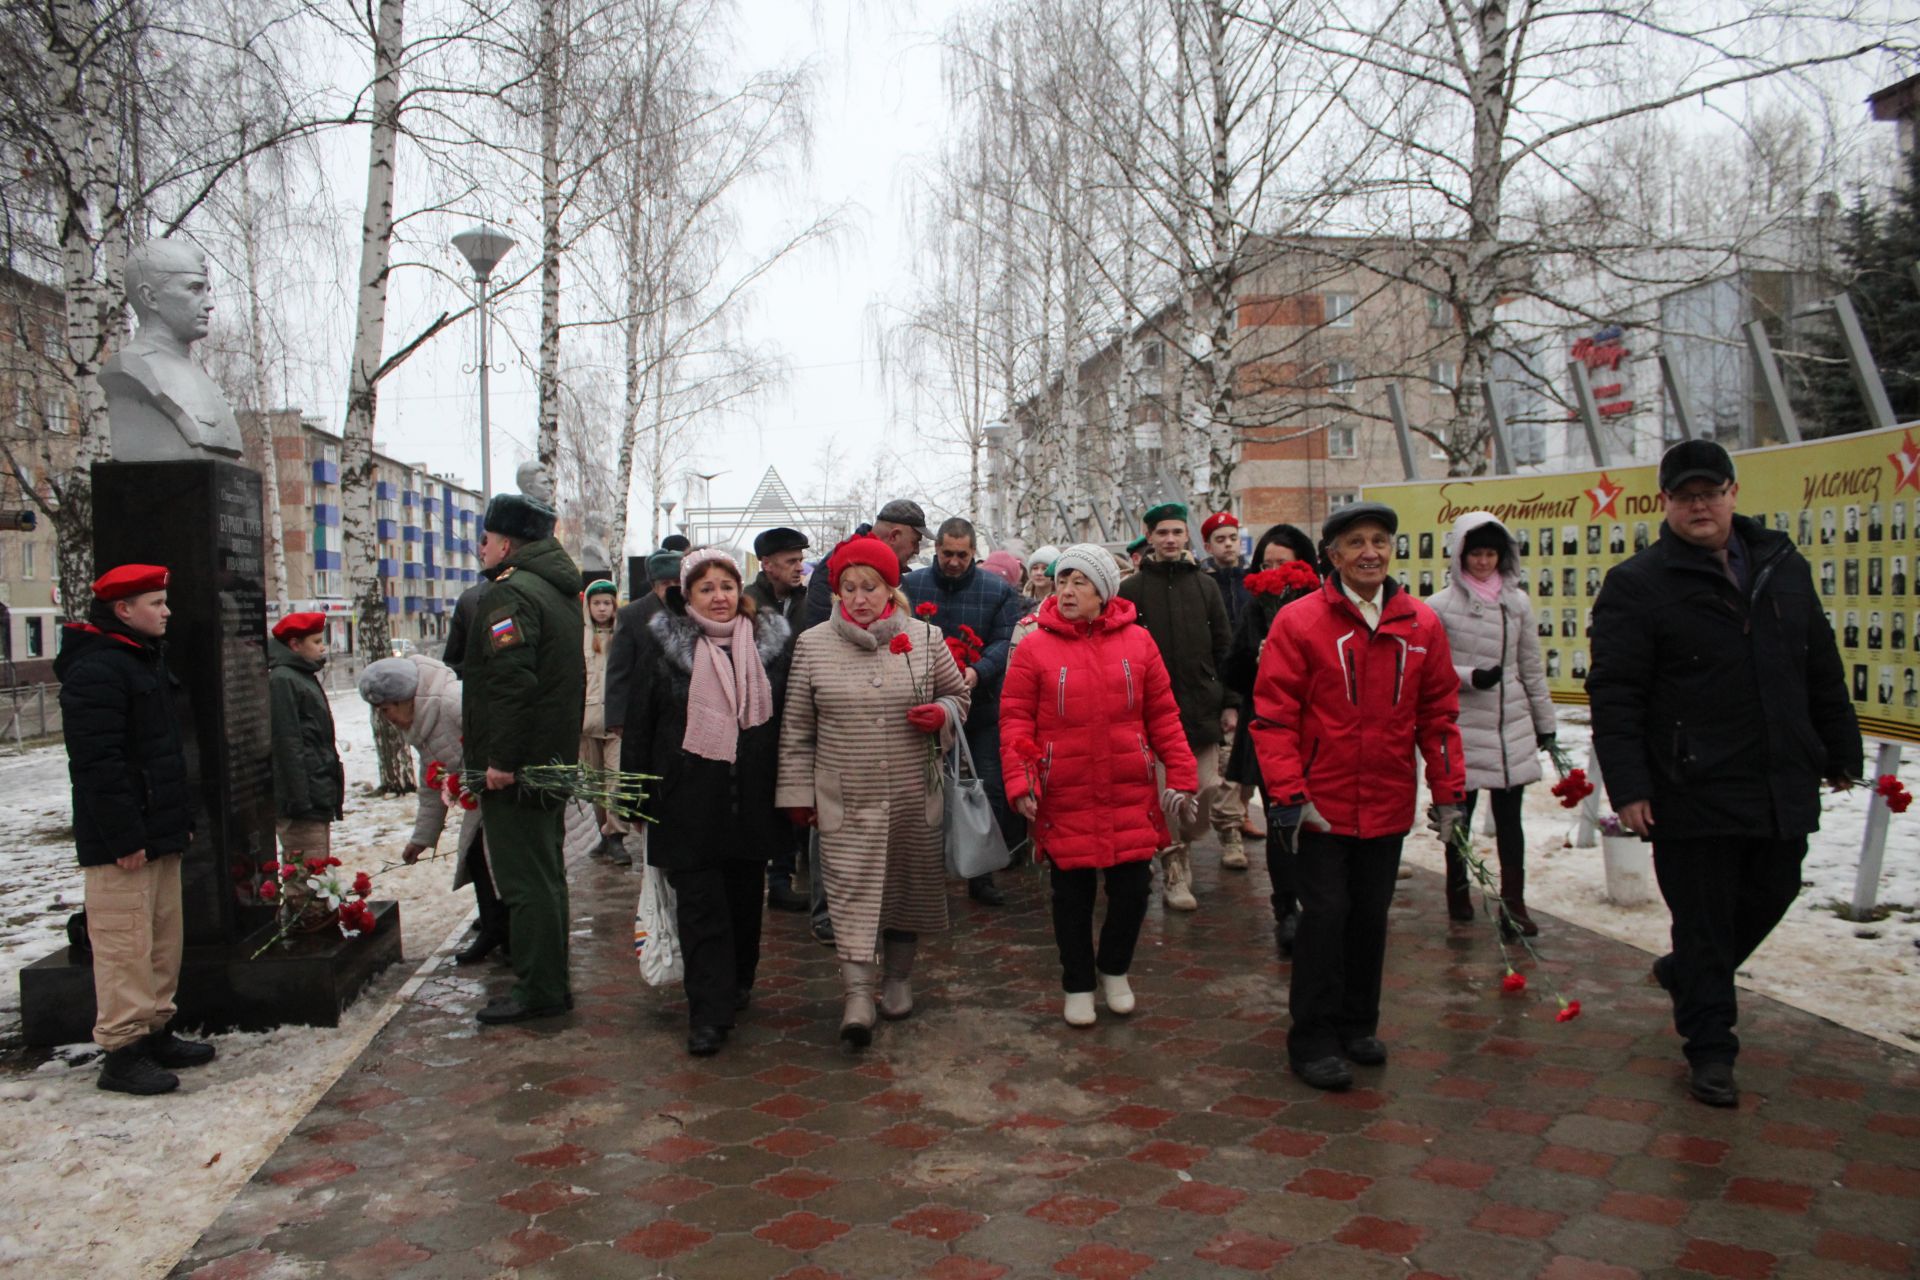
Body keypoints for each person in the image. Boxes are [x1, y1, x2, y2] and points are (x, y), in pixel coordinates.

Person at [1588, 440, 1859, 1108]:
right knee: (1704, 922)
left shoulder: (1782, 565)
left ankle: (1688, 977)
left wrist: (1839, 746)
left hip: (1777, 774)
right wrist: (1630, 788)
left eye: (1711, 493)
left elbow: (1818, 663)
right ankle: (1711, 1050)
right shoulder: (1638, 584)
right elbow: (1616, 693)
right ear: (1666, 504)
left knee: (1777, 887)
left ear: (1734, 493)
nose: (1700, 506)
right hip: (1691, 785)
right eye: (1686, 496)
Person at [1251, 502, 1465, 1091]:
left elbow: (1440, 717)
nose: (1370, 552)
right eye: (1355, 543)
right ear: (1333, 555)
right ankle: (1312, 1037)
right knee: (1325, 916)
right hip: (1320, 803)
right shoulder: (1299, 622)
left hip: (1387, 799)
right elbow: (1273, 717)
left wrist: (1449, 794)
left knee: (1370, 915)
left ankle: (1357, 1022)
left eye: (1380, 541)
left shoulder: (1420, 624)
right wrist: (1288, 795)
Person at [776, 534, 970, 1049]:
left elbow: (959, 695)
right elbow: (797, 728)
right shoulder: (813, 644)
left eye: (870, 587)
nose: (859, 598)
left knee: (908, 889)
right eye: (848, 588)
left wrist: (943, 715)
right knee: (850, 894)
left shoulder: (926, 639)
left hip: (912, 794)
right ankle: (857, 995)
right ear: (836, 592)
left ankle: (898, 980)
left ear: (891, 589)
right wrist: (798, 794)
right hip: (845, 797)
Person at [1001, 546, 1197, 1025]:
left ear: (1103, 592)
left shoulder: (1140, 644)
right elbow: (1015, 721)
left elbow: (1164, 716)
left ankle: (1114, 970)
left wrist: (1184, 774)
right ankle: (1077, 983)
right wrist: (1021, 779)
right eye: (1062, 579)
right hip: (1064, 790)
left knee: (1133, 890)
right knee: (1072, 895)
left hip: (1128, 787)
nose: (1066, 590)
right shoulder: (1033, 647)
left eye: (1079, 582)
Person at [623, 550, 792, 1056]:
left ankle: (738, 982)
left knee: (743, 903)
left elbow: (789, 724)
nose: (718, 597)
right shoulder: (662, 648)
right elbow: (639, 725)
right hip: (685, 802)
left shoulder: (771, 646)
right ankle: (707, 1014)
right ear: (686, 595)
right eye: (705, 588)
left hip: (750, 801)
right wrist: (635, 797)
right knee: (700, 909)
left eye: (726, 586)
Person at [56, 563, 212, 1095]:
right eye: (155, 603)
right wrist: (124, 837)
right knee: (124, 943)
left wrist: (176, 823)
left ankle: (155, 1028)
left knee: (162, 939)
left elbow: (164, 755)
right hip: (123, 840)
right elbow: (98, 764)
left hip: (158, 829)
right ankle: (123, 1050)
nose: (167, 611)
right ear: (123, 610)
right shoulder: (99, 669)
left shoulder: (141, 660)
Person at [463, 491, 586, 1025]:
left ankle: (540, 992)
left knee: (525, 883)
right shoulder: (557, 591)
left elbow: (512, 683)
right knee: (546, 876)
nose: (480, 550)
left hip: (521, 768)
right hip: (551, 759)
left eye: (485, 540)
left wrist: (501, 760)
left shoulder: (508, 594)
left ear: (506, 542)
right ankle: (549, 983)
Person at [1429, 514, 1557, 935]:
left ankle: (1514, 905)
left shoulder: (1516, 602)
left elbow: (1531, 665)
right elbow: (1432, 668)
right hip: (1463, 725)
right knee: (1458, 818)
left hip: (1510, 726)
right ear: (1460, 555)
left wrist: (1545, 723)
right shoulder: (1440, 606)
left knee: (1510, 822)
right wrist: (1468, 676)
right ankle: (1458, 890)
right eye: (1475, 554)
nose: (1483, 562)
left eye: (1490, 554)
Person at [903, 516, 1029, 906]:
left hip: (982, 706)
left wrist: (977, 671)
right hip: (924, 706)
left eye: (962, 555)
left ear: (974, 553)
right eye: (947, 554)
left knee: (986, 789)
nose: (954, 562)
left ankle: (981, 874)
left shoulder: (997, 590)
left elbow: (1005, 639)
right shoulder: (911, 585)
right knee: (924, 793)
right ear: (935, 550)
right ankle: (924, 875)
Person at [1116, 501, 1237, 906]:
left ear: (1186, 536)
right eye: (1162, 532)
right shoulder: (1131, 590)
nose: (1170, 539)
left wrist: (1230, 701)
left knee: (1203, 792)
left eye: (1177, 532)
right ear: (1149, 537)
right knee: (1167, 793)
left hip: (1202, 707)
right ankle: (1173, 867)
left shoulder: (1205, 586)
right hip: (1152, 713)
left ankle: (1182, 842)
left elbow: (1225, 646)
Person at [356, 655, 506, 964]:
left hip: (504, 792)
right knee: (477, 859)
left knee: (491, 861)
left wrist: (490, 773)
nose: (387, 720)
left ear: (405, 699)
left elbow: (500, 736)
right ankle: (495, 930)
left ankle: (508, 936)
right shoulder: (421, 723)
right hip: (483, 797)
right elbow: (432, 781)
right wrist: (421, 838)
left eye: (387, 710)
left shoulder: (451, 702)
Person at [1221, 524, 1319, 955]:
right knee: (1282, 820)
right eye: (1267, 564)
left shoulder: (1324, 607)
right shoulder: (1255, 609)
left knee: (1317, 826)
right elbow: (1235, 671)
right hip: (1268, 728)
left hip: (1319, 734)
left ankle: (1320, 904)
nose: (1276, 572)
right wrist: (1257, 661)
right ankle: (1288, 911)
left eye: (1285, 563)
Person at [745, 527, 812, 913]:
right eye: (790, 561)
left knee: (797, 791)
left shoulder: (808, 602)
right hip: (760, 719)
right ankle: (775, 878)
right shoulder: (747, 604)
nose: (798, 568)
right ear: (767, 566)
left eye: (800, 560)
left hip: (801, 714)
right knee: (766, 797)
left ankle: (793, 867)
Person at [267, 611, 343, 862]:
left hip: (316, 794)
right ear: (294, 645)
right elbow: (287, 742)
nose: (323, 647)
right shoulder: (283, 680)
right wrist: (300, 801)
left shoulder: (300, 676)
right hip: (303, 803)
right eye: (316, 642)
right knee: (308, 878)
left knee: (317, 874)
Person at [803, 498, 929, 628]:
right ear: (894, 536)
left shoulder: (893, 568)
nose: (917, 551)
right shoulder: (833, 568)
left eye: (869, 588)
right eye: (915, 542)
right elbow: (823, 636)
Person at [579, 580, 625, 859]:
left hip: (616, 722)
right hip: (587, 723)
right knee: (593, 783)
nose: (602, 608)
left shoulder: (622, 635)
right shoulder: (579, 638)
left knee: (616, 779)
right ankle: (603, 833)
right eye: (597, 603)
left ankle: (618, 833)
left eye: (607, 603)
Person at [1024, 545, 1060, 611]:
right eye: (1035, 568)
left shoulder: (1061, 602)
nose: (1039, 573)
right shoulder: (1021, 600)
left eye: (1044, 569)